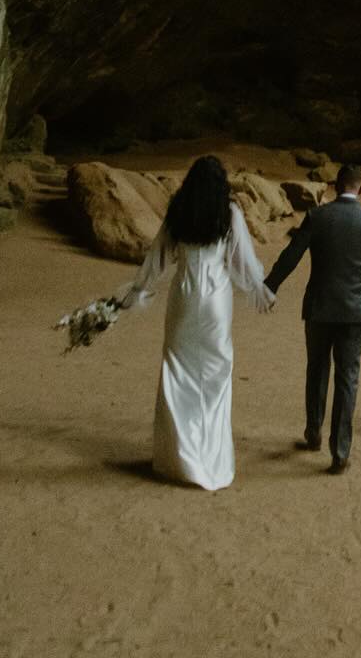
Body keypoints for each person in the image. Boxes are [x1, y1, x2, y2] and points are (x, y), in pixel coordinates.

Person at [120, 154, 275, 490]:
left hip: (186, 296)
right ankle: (211, 459)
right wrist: (257, 287)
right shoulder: (229, 212)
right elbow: (242, 260)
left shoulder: (179, 211)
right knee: (216, 375)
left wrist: (139, 288)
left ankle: (180, 459)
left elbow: (158, 255)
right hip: (216, 300)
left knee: (177, 372)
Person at [263, 162, 361, 473]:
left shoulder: (317, 216)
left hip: (319, 308)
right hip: (355, 312)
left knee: (317, 370)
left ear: (336, 187)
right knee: (347, 378)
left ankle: (313, 433)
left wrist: (270, 286)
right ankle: (339, 452)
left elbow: (291, 255)